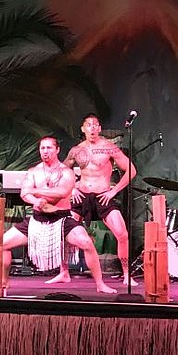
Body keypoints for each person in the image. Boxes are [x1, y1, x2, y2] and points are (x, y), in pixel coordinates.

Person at [2, 136, 117, 294]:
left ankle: (100, 284)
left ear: (57, 150)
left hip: (61, 219)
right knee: (2, 243)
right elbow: (24, 193)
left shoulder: (66, 172)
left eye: (49, 148)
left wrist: (35, 192)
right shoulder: (34, 172)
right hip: (37, 219)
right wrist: (35, 202)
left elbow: (62, 192)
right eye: (42, 148)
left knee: (86, 243)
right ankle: (3, 282)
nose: (45, 151)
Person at [62, 113, 138, 286]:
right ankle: (64, 272)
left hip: (103, 196)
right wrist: (72, 188)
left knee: (122, 234)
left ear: (100, 128)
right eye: (89, 125)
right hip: (81, 196)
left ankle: (126, 275)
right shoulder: (76, 150)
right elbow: (62, 170)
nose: (93, 128)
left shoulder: (109, 148)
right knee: (64, 232)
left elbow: (131, 170)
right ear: (83, 129)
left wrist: (114, 191)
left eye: (96, 125)